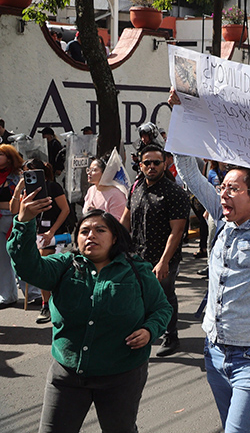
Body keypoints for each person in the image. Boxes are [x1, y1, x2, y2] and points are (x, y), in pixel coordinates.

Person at [169, 90, 250, 433]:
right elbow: (189, 173)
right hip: (213, 352)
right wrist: (181, 116)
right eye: (222, 187)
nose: (223, 193)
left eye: (232, 188)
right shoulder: (221, 218)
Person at [7, 202, 171, 433]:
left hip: (121, 375)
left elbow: (161, 308)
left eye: (100, 230)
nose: (91, 235)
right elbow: (27, 267)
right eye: (84, 231)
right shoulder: (64, 265)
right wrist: (24, 222)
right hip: (67, 375)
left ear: (114, 238)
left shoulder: (137, 270)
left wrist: (149, 330)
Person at [121, 145, 190, 357]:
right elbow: (126, 219)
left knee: (165, 296)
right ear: (140, 165)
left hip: (163, 257)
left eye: (156, 162)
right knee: (137, 295)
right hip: (137, 255)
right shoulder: (136, 187)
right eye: (147, 162)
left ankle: (171, 336)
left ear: (165, 164)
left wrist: (164, 262)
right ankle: (144, 333)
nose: (151, 166)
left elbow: (176, 232)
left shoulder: (174, 193)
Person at [13, 159, 70, 323]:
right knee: (39, 267)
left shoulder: (53, 186)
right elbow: (15, 210)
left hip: (53, 233)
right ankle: (46, 303)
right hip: (36, 233)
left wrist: (52, 232)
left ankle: (48, 305)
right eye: (24, 172)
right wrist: (18, 190)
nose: (26, 176)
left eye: (29, 172)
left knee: (46, 265)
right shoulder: (27, 190)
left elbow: (65, 209)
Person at [0, 144, 27, 307]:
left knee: (19, 257)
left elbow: (22, 198)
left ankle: (32, 293)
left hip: (13, 219)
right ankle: (7, 295)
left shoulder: (18, 176)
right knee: (2, 261)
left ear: (9, 157)